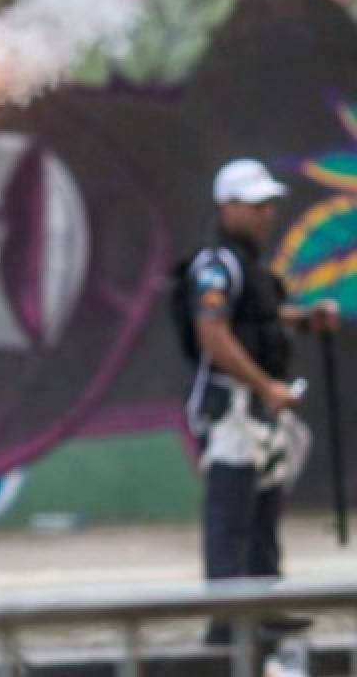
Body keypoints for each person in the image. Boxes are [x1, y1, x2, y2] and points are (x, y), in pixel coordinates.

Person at [181, 159, 338, 645]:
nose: (266, 214)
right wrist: (264, 385)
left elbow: (261, 319)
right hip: (232, 410)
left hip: (261, 411)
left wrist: (304, 317)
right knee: (230, 517)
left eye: (269, 205)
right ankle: (229, 623)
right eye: (255, 205)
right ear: (227, 207)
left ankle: (265, 608)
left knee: (264, 511)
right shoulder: (216, 265)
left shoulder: (252, 266)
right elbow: (214, 334)